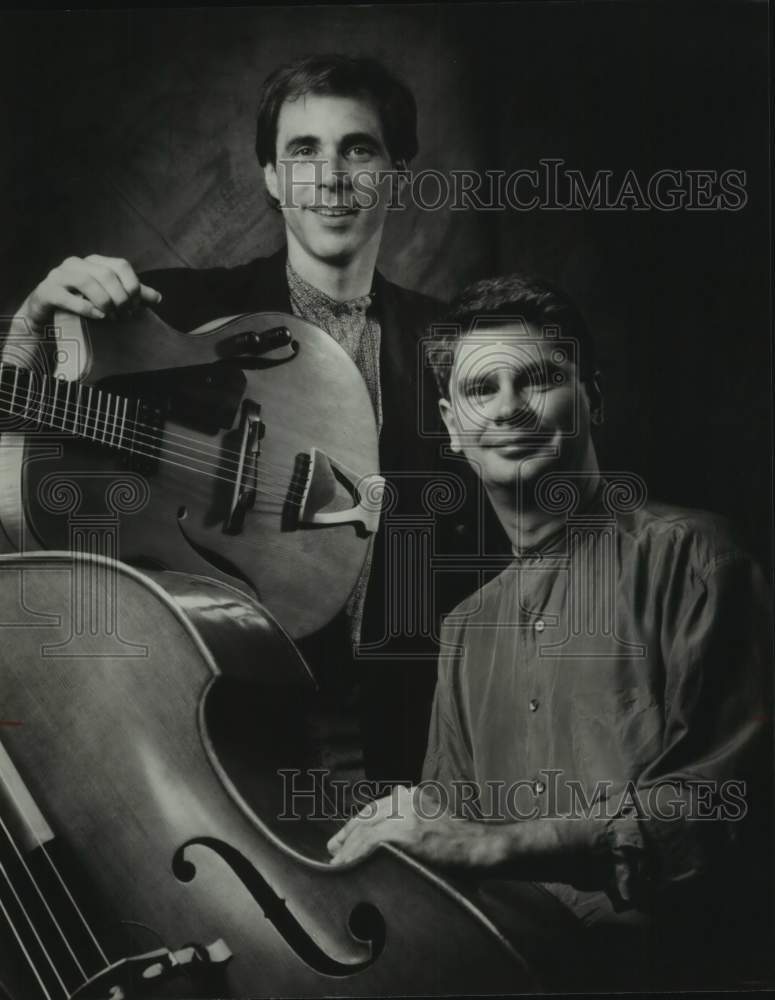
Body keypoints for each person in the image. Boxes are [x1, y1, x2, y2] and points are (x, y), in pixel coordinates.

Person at [4, 53, 490, 792]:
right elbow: (26, 449)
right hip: (227, 725)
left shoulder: (451, 348)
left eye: (357, 148)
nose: (330, 177)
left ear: (396, 170)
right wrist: (34, 322)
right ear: (269, 176)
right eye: (303, 151)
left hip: (415, 743)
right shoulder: (173, 315)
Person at [327, 273, 773, 989]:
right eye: (480, 389)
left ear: (591, 398)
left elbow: (724, 805)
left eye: (536, 379)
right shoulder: (465, 631)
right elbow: (446, 844)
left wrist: (490, 848)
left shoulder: (694, 557)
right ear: (449, 425)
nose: (507, 408)